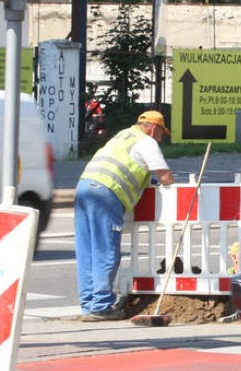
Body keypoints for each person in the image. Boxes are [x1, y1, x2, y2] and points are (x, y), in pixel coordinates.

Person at [75, 111, 174, 321]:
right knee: (105, 250)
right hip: (106, 193)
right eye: (161, 135)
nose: (161, 139)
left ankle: (88, 305)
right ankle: (101, 307)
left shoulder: (123, 136)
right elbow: (165, 177)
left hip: (84, 188)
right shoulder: (147, 143)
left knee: (87, 251)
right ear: (154, 129)